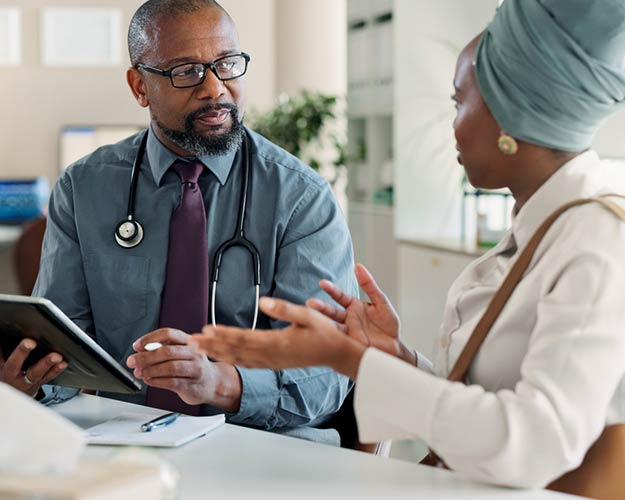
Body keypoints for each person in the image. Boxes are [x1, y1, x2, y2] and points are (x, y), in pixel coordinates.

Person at [189, 0, 625, 489]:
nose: (453, 124)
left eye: (459, 102)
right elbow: (480, 408)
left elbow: (532, 446)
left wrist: (351, 361)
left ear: (509, 114)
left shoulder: (599, 237)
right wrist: (393, 357)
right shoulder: (544, 226)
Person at [0, 0, 356, 443]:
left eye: (227, 64)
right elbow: (63, 351)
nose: (214, 88)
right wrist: (27, 380)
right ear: (139, 86)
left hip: (265, 444)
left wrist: (221, 383)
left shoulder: (301, 197)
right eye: (186, 71)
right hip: (126, 439)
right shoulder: (84, 187)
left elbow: (330, 373)